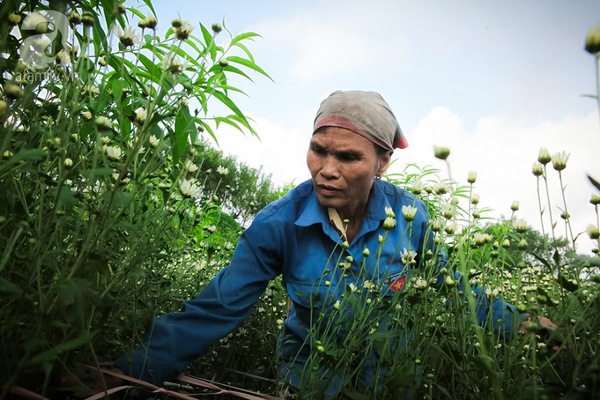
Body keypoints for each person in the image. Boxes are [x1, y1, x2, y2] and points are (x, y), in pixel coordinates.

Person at [75, 90, 552, 398]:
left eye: (348, 157)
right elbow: (216, 308)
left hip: (393, 379)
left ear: (382, 162)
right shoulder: (279, 224)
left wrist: (525, 325)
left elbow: (454, 292)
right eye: (319, 150)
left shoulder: (411, 219)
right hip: (310, 378)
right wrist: (136, 371)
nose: (327, 168)